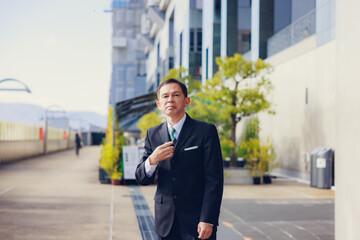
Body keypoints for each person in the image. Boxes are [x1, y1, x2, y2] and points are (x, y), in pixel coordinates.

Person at [135, 78, 223, 240]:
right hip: (165, 222)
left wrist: (208, 219)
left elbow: (214, 180)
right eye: (165, 96)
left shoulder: (205, 131)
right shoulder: (152, 134)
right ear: (159, 105)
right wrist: (152, 160)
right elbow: (141, 178)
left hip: (197, 221)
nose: (170, 100)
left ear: (186, 101)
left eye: (176, 95)